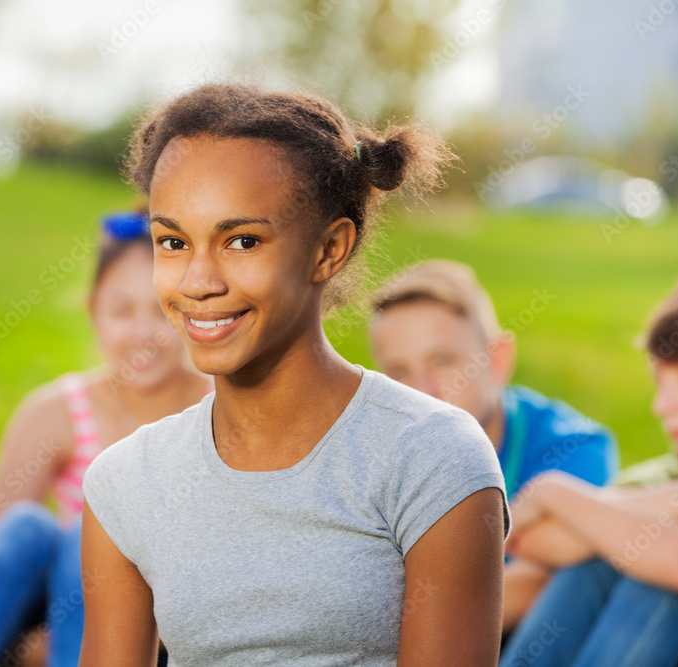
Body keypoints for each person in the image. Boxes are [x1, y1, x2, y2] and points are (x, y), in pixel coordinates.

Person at [79, 82, 511, 665]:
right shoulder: (125, 483)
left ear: (328, 249)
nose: (198, 282)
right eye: (173, 241)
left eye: (242, 240)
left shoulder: (432, 458)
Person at [0, 211, 213, 667]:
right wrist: (28, 642)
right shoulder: (57, 411)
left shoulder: (221, 410)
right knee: (29, 528)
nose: (143, 334)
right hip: (67, 622)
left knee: (97, 532)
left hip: (170, 635)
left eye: (161, 311)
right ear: (93, 311)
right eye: (122, 311)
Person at [499, 271, 678, 666]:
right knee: (613, 554)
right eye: (660, 384)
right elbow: (536, 541)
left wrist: (552, 490)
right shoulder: (676, 477)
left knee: (657, 569)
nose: (662, 406)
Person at [369, 258, 619, 633]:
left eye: (442, 361)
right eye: (399, 372)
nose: (422, 392)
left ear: (498, 359)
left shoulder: (572, 447)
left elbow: (541, 584)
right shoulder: (373, 456)